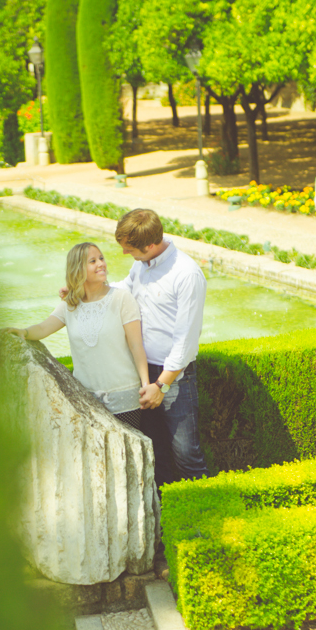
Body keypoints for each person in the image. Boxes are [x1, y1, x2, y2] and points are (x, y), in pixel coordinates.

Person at [1, 242, 149, 430]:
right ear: (78, 269)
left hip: (125, 398)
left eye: (101, 258)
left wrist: (145, 385)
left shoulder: (122, 298)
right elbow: (44, 328)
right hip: (86, 401)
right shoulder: (69, 304)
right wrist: (24, 332)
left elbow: (136, 345)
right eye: (93, 261)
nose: (101, 264)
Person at [113, 208, 209, 488]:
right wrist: (85, 289)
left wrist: (162, 386)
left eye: (130, 250)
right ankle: (166, 522)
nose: (125, 255)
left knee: (186, 456)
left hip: (175, 378)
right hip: (144, 373)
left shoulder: (186, 274)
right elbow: (124, 289)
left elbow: (186, 341)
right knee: (156, 455)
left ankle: (205, 525)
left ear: (151, 245)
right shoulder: (142, 263)